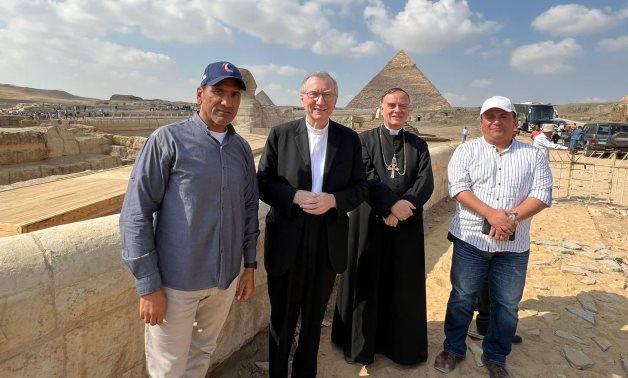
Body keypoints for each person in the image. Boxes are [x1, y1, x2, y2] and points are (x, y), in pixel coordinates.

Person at [120, 61, 260, 377]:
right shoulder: (167, 140)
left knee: (201, 357)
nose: (227, 102)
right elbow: (135, 213)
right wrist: (147, 285)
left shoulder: (240, 149)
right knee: (168, 368)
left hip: (224, 281)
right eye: (218, 92)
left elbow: (249, 209)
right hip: (175, 284)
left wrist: (249, 267)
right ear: (200, 94)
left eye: (235, 95)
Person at [257, 72, 367, 378]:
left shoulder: (349, 140)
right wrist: (293, 195)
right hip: (288, 235)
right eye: (314, 94)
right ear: (302, 97)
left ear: (336, 99)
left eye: (328, 94)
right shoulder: (280, 134)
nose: (320, 101)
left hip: (327, 237)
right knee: (282, 317)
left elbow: (360, 187)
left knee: (313, 318)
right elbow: (263, 183)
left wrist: (333, 200)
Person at [434, 96, 552, 378]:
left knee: (508, 304)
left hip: (515, 243)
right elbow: (459, 188)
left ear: (515, 122)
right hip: (471, 240)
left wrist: (508, 219)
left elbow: (543, 194)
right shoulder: (467, 151)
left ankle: (496, 356)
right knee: (462, 297)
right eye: (490, 116)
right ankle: (453, 348)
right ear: (481, 122)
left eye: (503, 116)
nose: (496, 121)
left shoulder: (533, 155)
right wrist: (492, 215)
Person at [331, 88, 434, 366]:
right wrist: (390, 207)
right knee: (366, 281)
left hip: (406, 224)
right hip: (370, 223)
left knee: (402, 283)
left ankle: (400, 347)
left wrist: (404, 208)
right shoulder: (362, 141)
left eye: (402, 106)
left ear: (409, 110)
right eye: (391, 105)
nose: (396, 110)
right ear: (381, 107)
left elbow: (425, 182)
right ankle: (362, 346)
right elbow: (366, 176)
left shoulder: (418, 145)